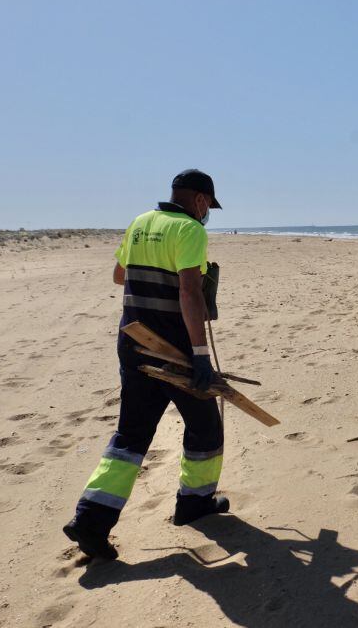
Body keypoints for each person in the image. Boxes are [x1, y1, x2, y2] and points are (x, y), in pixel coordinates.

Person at [63, 169, 228, 560]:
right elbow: (188, 293)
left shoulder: (139, 223)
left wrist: (155, 275)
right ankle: (194, 503)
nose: (208, 213)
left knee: (131, 435)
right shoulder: (190, 230)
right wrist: (200, 355)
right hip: (172, 350)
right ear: (201, 200)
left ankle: (90, 520)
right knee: (206, 427)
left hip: (132, 341)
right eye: (209, 206)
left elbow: (120, 275)